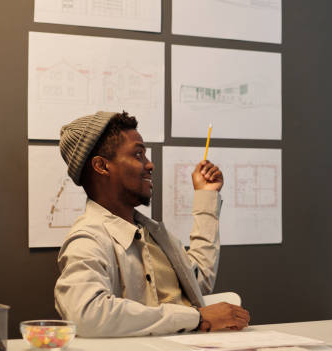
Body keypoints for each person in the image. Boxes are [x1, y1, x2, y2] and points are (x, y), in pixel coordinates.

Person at [55, 111, 250, 337]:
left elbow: (198, 281)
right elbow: (87, 314)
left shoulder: (154, 233)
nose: (150, 165)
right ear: (101, 166)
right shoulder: (88, 239)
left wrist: (206, 196)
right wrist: (198, 318)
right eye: (138, 155)